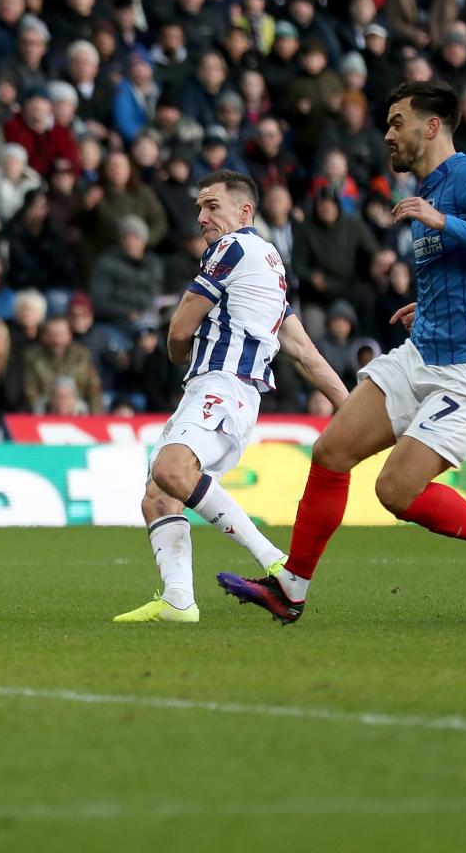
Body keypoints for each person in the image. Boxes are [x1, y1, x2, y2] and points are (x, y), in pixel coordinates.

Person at [221, 81, 466, 624]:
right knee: (331, 451)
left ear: (431, 126)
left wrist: (443, 223)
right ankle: (290, 588)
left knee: (395, 490)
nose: (387, 134)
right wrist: (430, 304)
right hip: (421, 353)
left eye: (396, 122)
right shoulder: (428, 188)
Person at [115, 170, 347, 624]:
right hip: (230, 394)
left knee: (170, 470)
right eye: (199, 208)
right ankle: (179, 600)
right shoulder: (270, 269)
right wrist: (354, 406)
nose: (201, 217)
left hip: (221, 385)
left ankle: (275, 560)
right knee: (158, 495)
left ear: (245, 212)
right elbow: (305, 353)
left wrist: (176, 349)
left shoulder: (232, 248)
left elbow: (179, 327)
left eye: (212, 206)